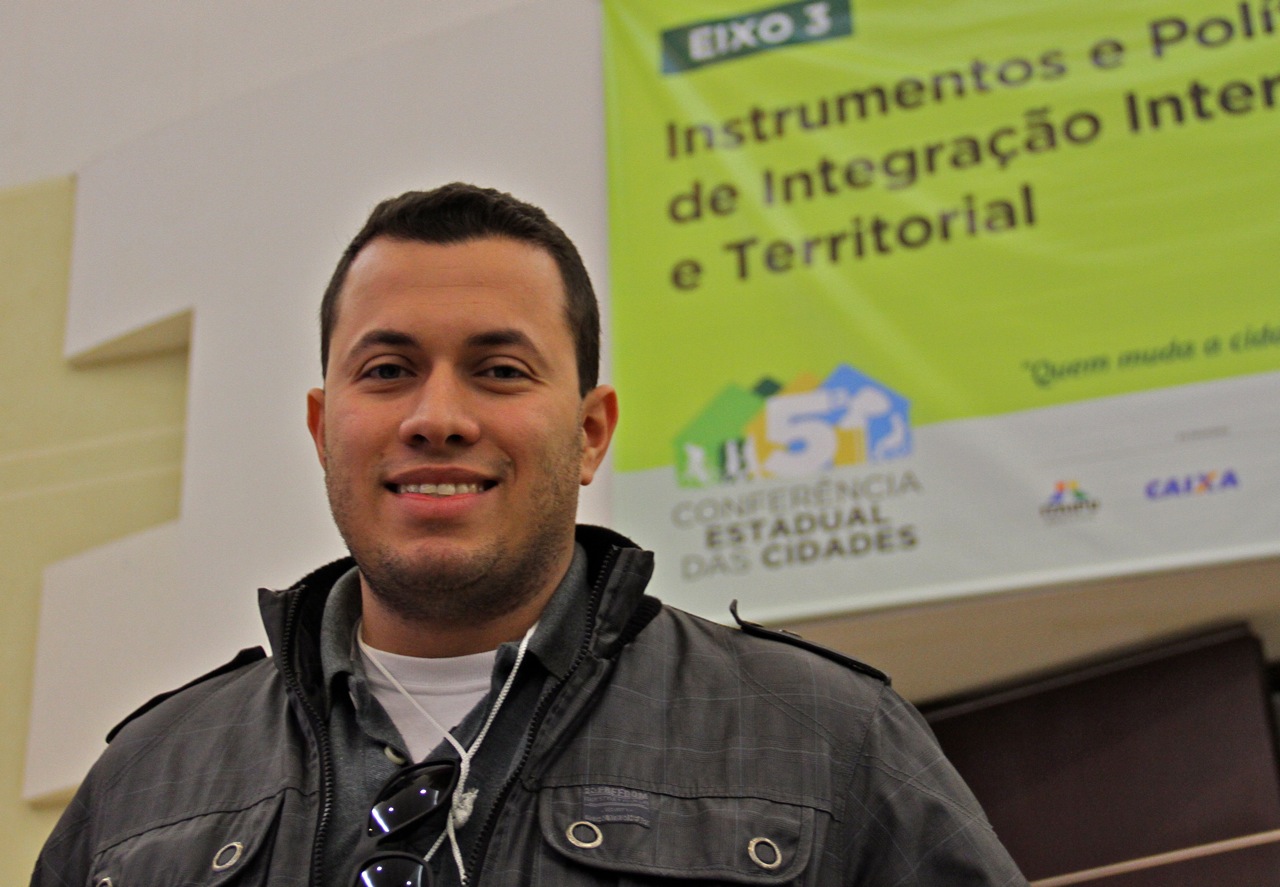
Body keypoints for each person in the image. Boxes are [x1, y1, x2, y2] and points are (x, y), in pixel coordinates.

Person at [31, 183, 1027, 886]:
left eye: (499, 371)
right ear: (322, 426)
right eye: (387, 371)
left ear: (590, 432)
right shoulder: (143, 787)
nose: (437, 416)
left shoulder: (825, 741)